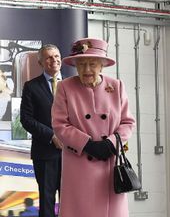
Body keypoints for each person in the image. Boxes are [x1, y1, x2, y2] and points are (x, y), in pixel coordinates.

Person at [51, 38, 135, 217]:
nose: (86, 69)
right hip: (79, 163)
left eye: (92, 64)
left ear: (102, 65)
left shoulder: (116, 86)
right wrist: (87, 144)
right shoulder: (66, 87)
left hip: (109, 164)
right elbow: (59, 123)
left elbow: (128, 122)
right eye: (81, 64)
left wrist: (111, 143)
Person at [20, 44, 63, 217]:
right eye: (49, 57)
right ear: (40, 62)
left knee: (72, 199)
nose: (54, 60)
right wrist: (51, 136)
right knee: (47, 201)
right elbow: (26, 119)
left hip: (72, 154)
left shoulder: (72, 84)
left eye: (57, 56)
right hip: (45, 153)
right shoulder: (31, 86)